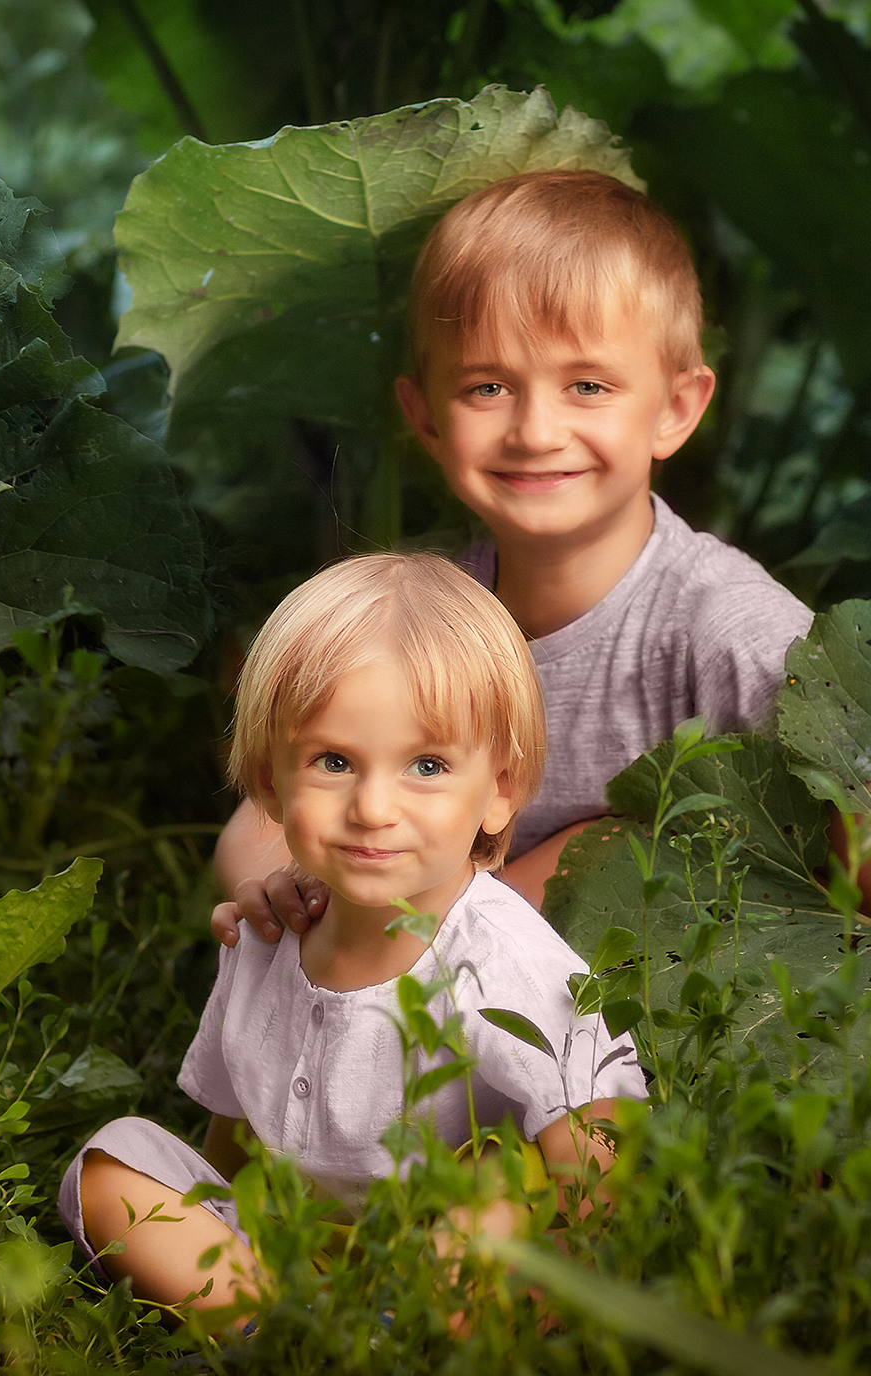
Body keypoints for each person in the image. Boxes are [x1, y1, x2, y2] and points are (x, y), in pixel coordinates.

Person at [212, 168, 819, 940]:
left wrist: (559, 871)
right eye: (488, 388)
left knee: (620, 845)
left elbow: (862, 859)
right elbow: (262, 817)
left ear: (675, 409)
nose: (535, 432)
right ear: (425, 419)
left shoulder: (730, 628)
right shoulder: (415, 611)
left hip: (650, 995)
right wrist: (279, 886)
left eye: (588, 386)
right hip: (425, 980)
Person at [60, 553, 646, 1323]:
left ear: (499, 791)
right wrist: (216, 1221)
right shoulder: (268, 934)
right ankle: (275, 1326)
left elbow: (601, 1156)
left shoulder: (506, 962)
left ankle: (394, 1333)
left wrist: (554, 1295)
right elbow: (232, 1140)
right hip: (290, 1242)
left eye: (427, 765)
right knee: (108, 1166)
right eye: (333, 762)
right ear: (269, 782)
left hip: (440, 1254)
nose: (373, 808)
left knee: (492, 1198)